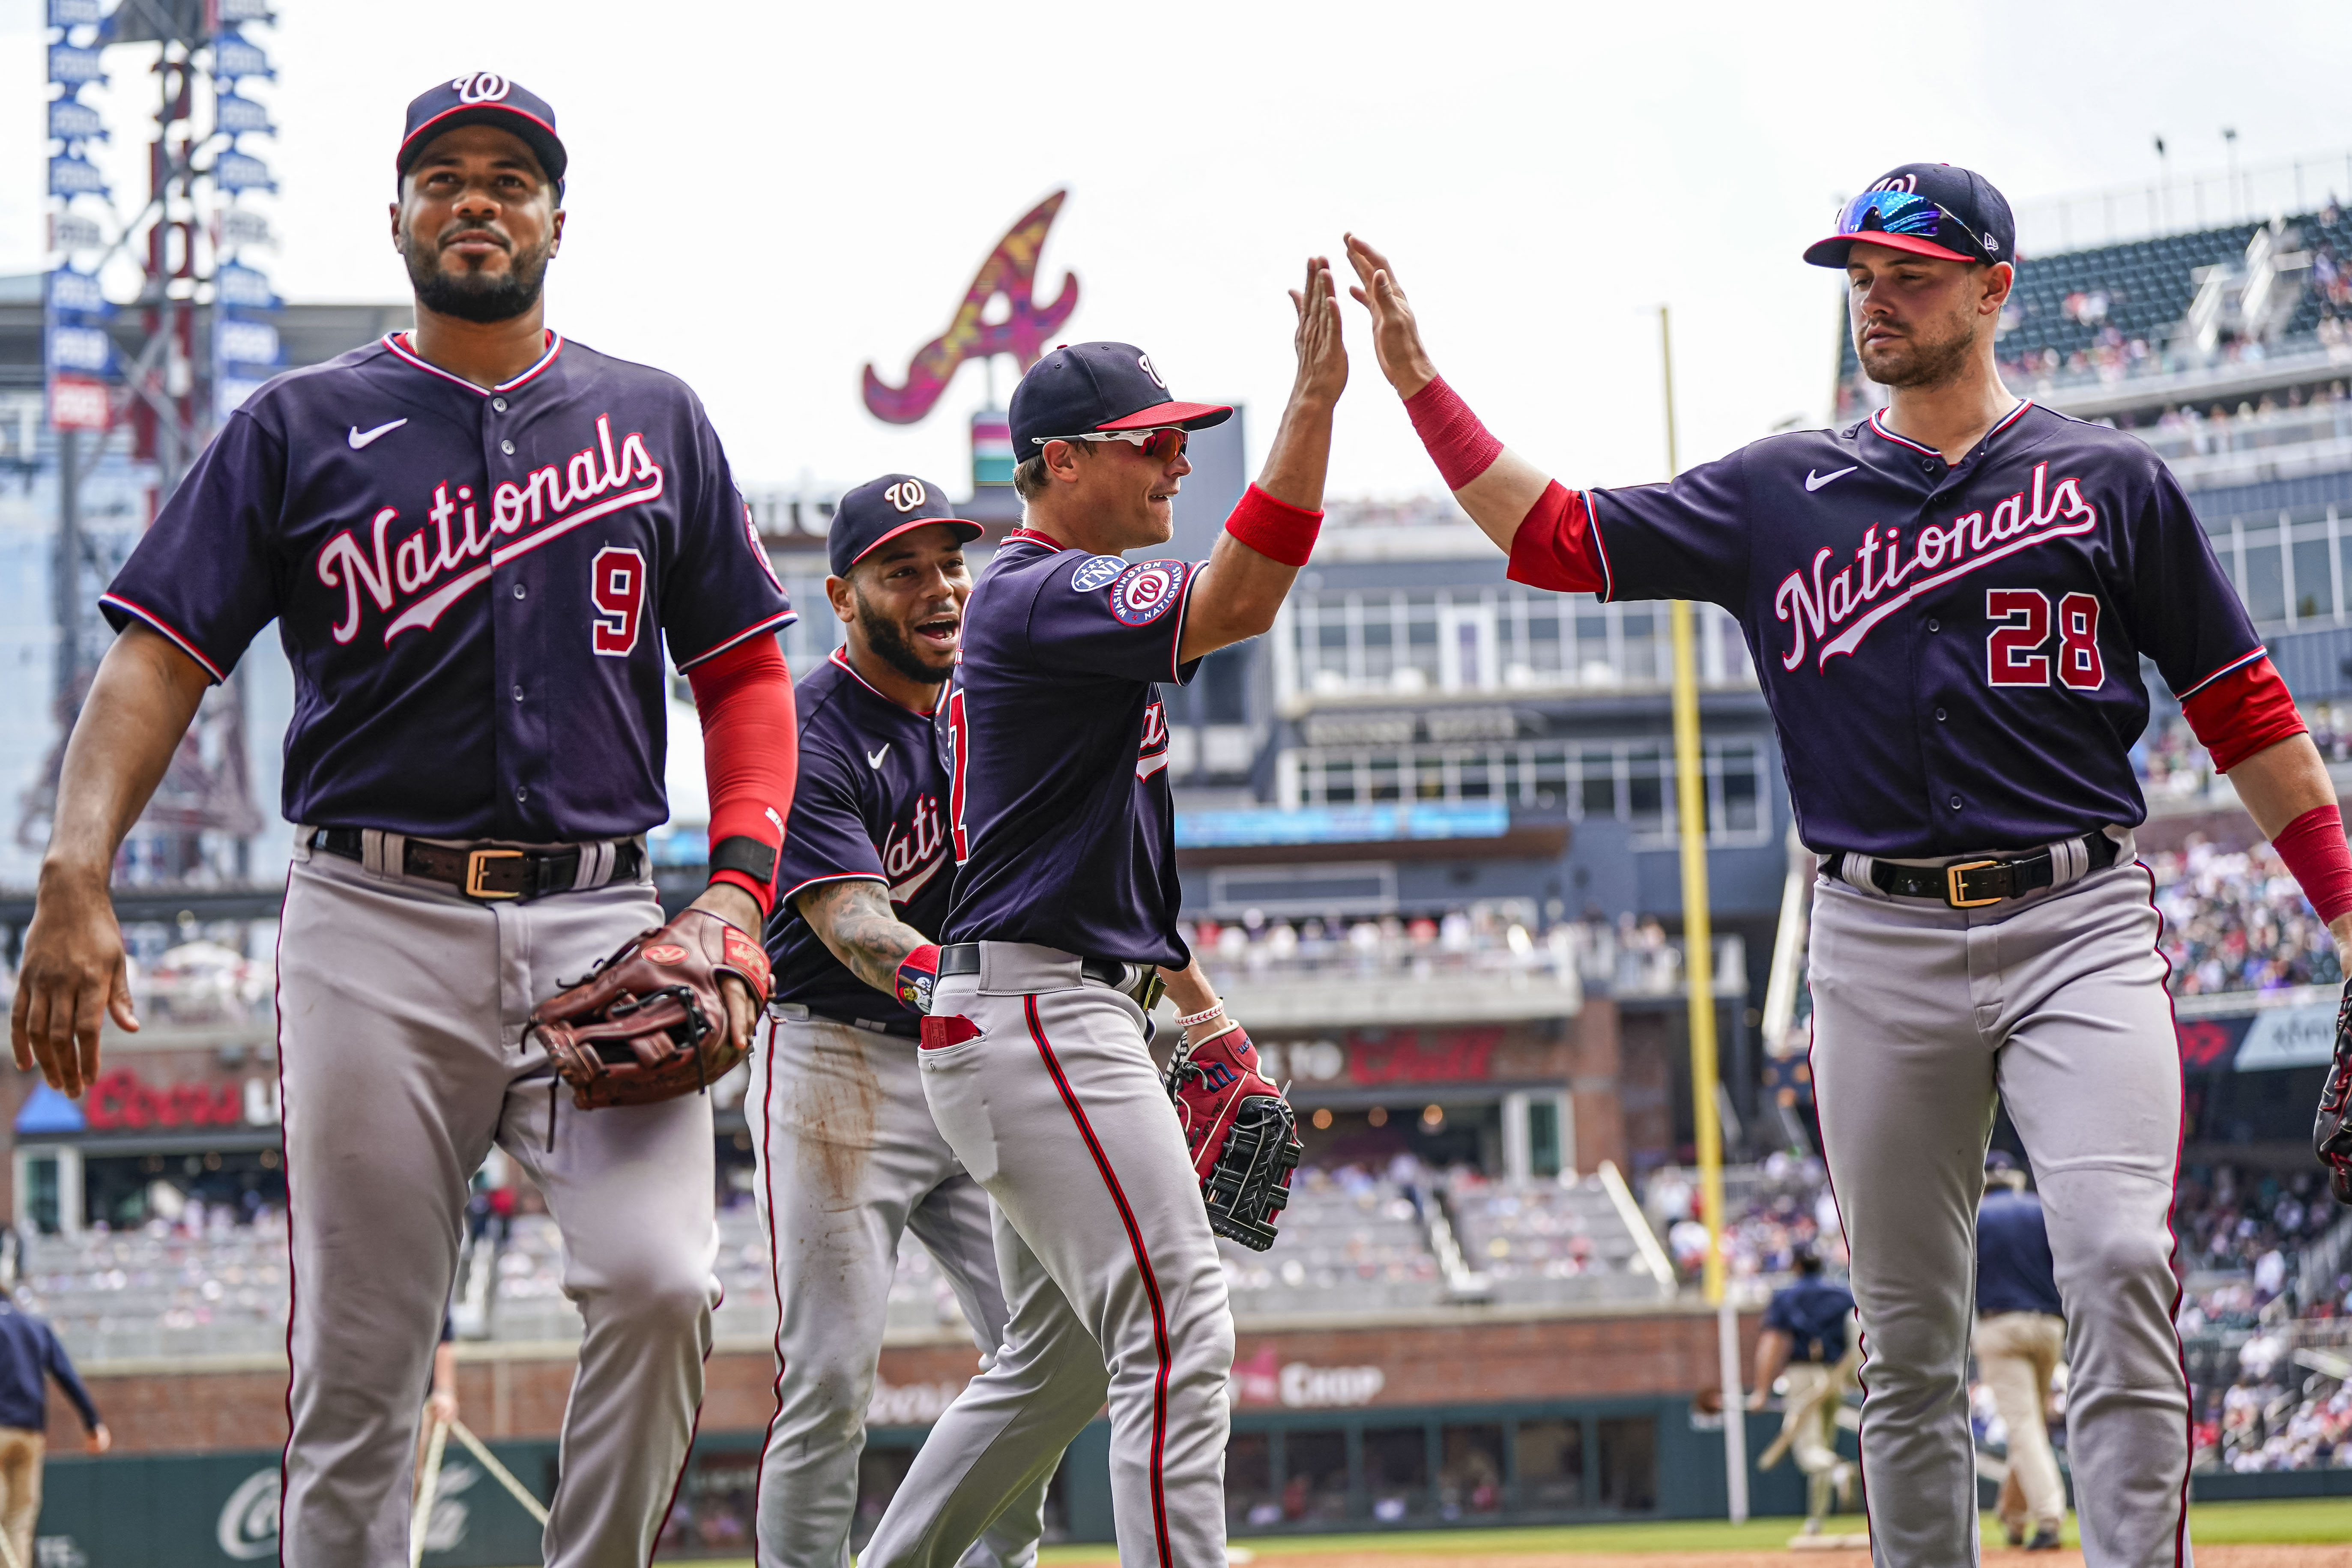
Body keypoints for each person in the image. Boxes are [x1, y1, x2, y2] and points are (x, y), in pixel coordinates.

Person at [1345, 161, 2352, 1568]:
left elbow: (2246, 708)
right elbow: (1555, 536)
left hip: (2080, 919)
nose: (1877, 298)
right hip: (1873, 942)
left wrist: (2348, 915)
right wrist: (1416, 380)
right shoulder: (1781, 488)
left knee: (2123, 1265)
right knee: (1906, 1332)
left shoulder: (2112, 481)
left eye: (1911, 275)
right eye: (1863, 275)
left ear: (1993, 290)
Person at [8, 75, 798, 1567]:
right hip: (375, 926)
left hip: (602, 917)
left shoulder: (655, 418)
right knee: (363, 1377)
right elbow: (157, 658)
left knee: (664, 1282)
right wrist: (74, 868)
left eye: (511, 176)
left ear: (560, 216)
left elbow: (749, 673)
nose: (478, 199)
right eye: (445, 177)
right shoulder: (299, 423)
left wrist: (742, 890)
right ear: (399, 217)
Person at [862, 266, 1348, 1568]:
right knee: (1179, 1315)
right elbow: (1238, 601)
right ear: (1059, 461)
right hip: (1036, 1007)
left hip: (1049, 999)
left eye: (1185, 438)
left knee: (1060, 1364)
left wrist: (1200, 1011)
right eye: (1151, 441)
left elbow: (1106, 866)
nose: (1177, 459)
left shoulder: (1060, 608)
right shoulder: (1037, 589)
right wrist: (1312, 406)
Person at [751, 474, 1050, 1568]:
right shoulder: (806, 723)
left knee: (1045, 1350)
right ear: (843, 594)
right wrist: (973, 998)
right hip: (837, 1062)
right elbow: (854, 926)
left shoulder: (986, 707)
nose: (940, 590)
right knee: (829, 1377)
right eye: (902, 569)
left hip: (967, 1051)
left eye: (949, 564)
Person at [1977, 1152, 2066, 1551]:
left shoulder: (1973, 1216)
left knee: (2023, 1425)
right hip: (2049, 1325)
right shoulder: (2043, 1210)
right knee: (2029, 1423)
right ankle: (2013, 1515)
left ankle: (2048, 1518)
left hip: (1999, 1325)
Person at [1749, 1249, 1859, 1535]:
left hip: (1801, 1375)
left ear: (1796, 1265)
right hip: (1832, 1374)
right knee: (1822, 1442)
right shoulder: (1842, 1294)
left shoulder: (1786, 1295)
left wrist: (1761, 1390)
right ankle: (1816, 1520)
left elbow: (1772, 1342)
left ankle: (1837, 1469)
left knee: (1809, 1450)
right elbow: (1858, 1334)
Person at [0, 1286, 108, 1568]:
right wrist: (93, 1422)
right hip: (30, 1433)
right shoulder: (34, 1326)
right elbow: (66, 1374)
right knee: (19, 1521)